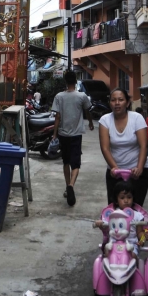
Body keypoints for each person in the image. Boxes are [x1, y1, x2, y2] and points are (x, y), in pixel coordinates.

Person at [99, 88, 148, 205]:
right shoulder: (105, 120)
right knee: (114, 210)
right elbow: (105, 148)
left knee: (136, 209)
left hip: (137, 172)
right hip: (115, 172)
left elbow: (144, 145)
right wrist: (115, 169)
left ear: (127, 103)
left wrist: (139, 168)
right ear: (110, 103)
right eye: (113, 100)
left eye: (121, 100)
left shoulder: (137, 118)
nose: (117, 103)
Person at [51, 70, 94, 206]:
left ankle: (67, 186)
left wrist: (54, 133)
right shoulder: (82, 96)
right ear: (75, 81)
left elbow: (57, 116)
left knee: (66, 162)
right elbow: (87, 111)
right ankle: (71, 185)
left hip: (63, 135)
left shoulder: (59, 96)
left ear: (65, 81)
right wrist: (91, 123)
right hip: (76, 135)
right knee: (76, 164)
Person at [94, 180, 148, 258]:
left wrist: (143, 237)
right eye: (122, 198)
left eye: (129, 197)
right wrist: (100, 223)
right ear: (116, 200)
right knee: (107, 255)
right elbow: (106, 227)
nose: (126, 200)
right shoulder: (112, 214)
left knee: (133, 256)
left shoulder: (137, 215)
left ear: (133, 198)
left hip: (131, 245)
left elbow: (139, 232)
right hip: (114, 243)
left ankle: (137, 268)